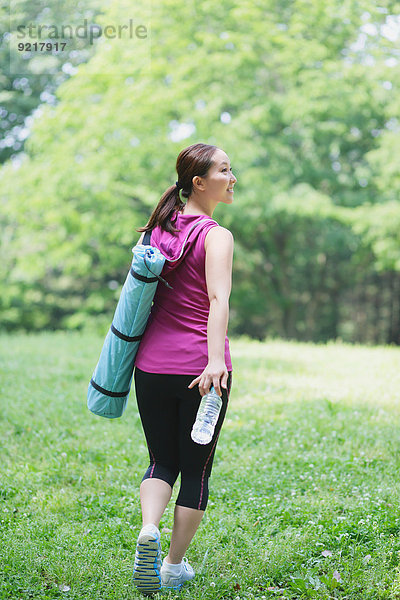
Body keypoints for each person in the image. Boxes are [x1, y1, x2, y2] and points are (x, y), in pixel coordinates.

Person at [132, 142, 236, 595]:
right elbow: (218, 299)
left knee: (161, 461)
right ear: (199, 182)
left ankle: (149, 529)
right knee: (195, 472)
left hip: (150, 367)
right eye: (225, 170)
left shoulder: (157, 230)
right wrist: (216, 361)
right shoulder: (217, 235)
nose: (233, 178)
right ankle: (173, 566)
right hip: (201, 372)